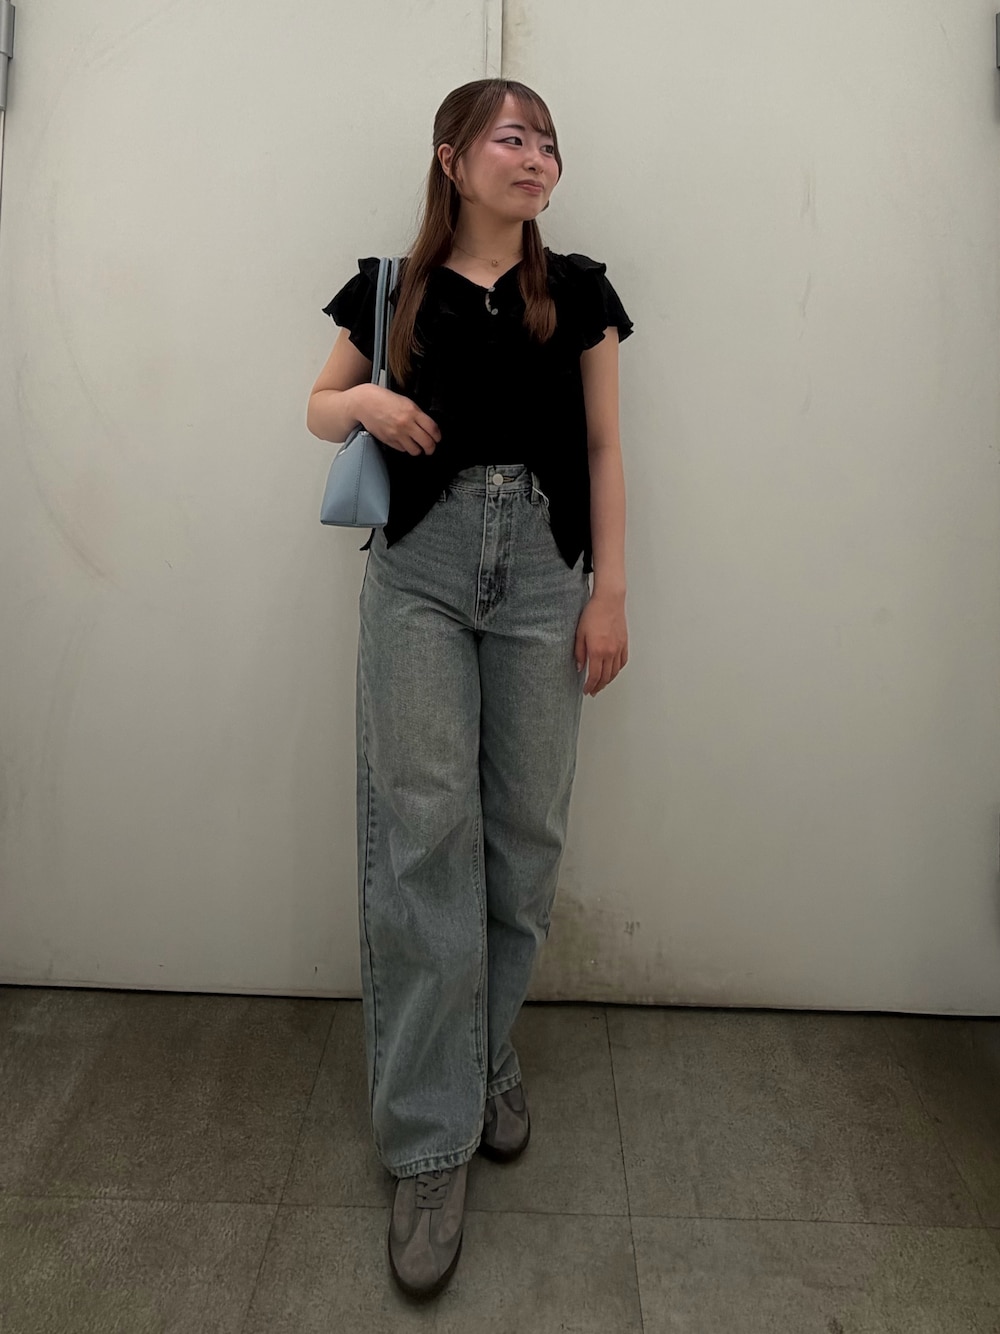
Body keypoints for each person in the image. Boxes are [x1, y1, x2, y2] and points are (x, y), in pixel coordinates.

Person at [305, 77, 633, 1302]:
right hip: (420, 579)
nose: (536, 157)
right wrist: (366, 401)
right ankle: (429, 1143)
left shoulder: (579, 291)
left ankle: (483, 1054)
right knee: (423, 840)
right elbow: (315, 406)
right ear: (451, 157)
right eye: (512, 137)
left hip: (546, 577)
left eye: (548, 142)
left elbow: (603, 447)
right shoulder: (389, 286)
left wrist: (609, 593)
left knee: (523, 838)